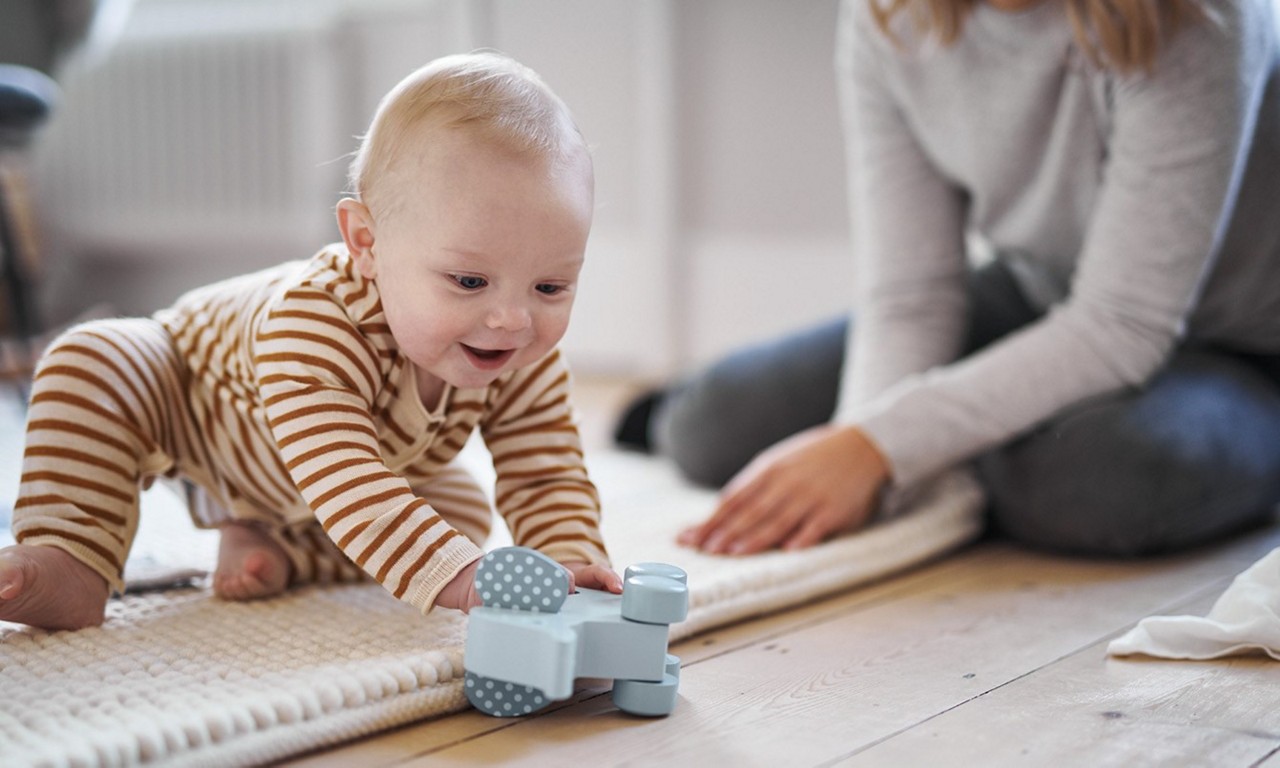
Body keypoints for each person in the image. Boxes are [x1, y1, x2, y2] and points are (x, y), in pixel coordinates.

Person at [619, 0, 1280, 559]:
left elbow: (1123, 322)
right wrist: (864, 459)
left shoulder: (1196, 17)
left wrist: (884, 446)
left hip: (1239, 345)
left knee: (1089, 485)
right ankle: (986, 455)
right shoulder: (890, 16)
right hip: (1045, 291)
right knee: (708, 428)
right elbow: (913, 297)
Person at [0, 51, 622, 631]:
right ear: (366, 244)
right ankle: (69, 554)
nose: (512, 319)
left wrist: (570, 566)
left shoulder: (521, 356)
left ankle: (281, 549)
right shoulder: (317, 323)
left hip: (308, 482)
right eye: (469, 280)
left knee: (458, 513)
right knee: (94, 355)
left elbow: (546, 475)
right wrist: (461, 578)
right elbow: (348, 477)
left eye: (551, 286)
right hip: (191, 407)